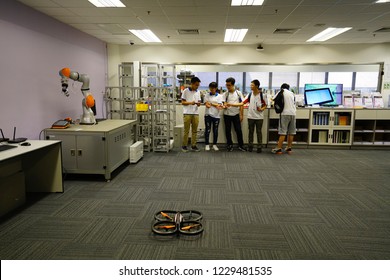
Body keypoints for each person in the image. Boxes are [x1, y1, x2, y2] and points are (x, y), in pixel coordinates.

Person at [241, 79, 267, 153]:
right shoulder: (249, 94)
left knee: (259, 132)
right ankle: (250, 146)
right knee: (250, 132)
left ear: (256, 86)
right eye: (250, 85)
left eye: (252, 85)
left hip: (259, 117)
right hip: (250, 116)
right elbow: (243, 102)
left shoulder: (263, 95)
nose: (250, 86)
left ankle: (259, 147)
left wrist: (261, 109)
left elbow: (265, 105)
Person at [271, 83, 296, 154]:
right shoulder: (292, 93)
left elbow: (273, 99)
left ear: (281, 88)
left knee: (283, 132)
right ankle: (289, 148)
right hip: (293, 113)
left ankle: (278, 149)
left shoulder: (281, 92)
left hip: (285, 113)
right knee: (291, 132)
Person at [223, 77, 246, 152]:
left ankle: (241, 145)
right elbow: (224, 103)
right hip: (227, 115)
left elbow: (241, 104)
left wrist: (241, 115)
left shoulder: (238, 93)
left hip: (236, 114)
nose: (227, 87)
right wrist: (224, 105)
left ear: (233, 85)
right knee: (228, 131)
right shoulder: (225, 94)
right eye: (226, 85)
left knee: (238, 130)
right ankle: (229, 145)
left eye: (229, 85)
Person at [181, 76, 202, 152]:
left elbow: (199, 102)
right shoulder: (185, 91)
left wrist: (198, 104)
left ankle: (193, 145)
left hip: (195, 113)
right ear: (192, 84)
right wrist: (191, 103)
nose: (197, 86)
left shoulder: (198, 92)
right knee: (186, 131)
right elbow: (183, 102)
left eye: (198, 85)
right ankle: (184, 146)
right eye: (196, 85)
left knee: (194, 131)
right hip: (187, 113)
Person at [204, 82, 223, 151]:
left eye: (213, 88)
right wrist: (215, 104)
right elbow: (207, 105)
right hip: (208, 115)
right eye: (211, 88)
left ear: (216, 88)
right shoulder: (206, 95)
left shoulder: (220, 96)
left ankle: (214, 144)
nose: (212, 89)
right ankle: (207, 144)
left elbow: (219, 106)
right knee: (207, 130)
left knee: (215, 131)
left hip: (216, 116)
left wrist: (211, 103)